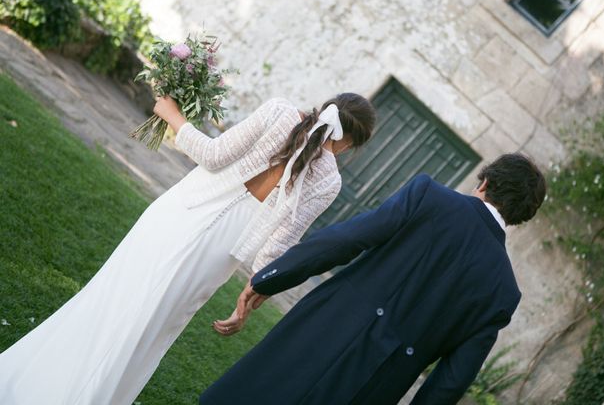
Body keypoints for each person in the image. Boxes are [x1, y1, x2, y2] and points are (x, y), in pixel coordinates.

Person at [0, 93, 376, 404]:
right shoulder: (330, 181)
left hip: (181, 212)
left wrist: (173, 116)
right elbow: (278, 245)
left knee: (109, 299)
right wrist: (252, 292)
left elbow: (212, 155)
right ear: (348, 143)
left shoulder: (279, 111)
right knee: (148, 332)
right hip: (221, 251)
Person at [201, 153, 546, 405]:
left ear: (484, 183)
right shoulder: (504, 292)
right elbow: (452, 380)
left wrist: (270, 278)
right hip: (377, 384)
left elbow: (347, 240)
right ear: (519, 217)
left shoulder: (430, 196)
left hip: (327, 328)